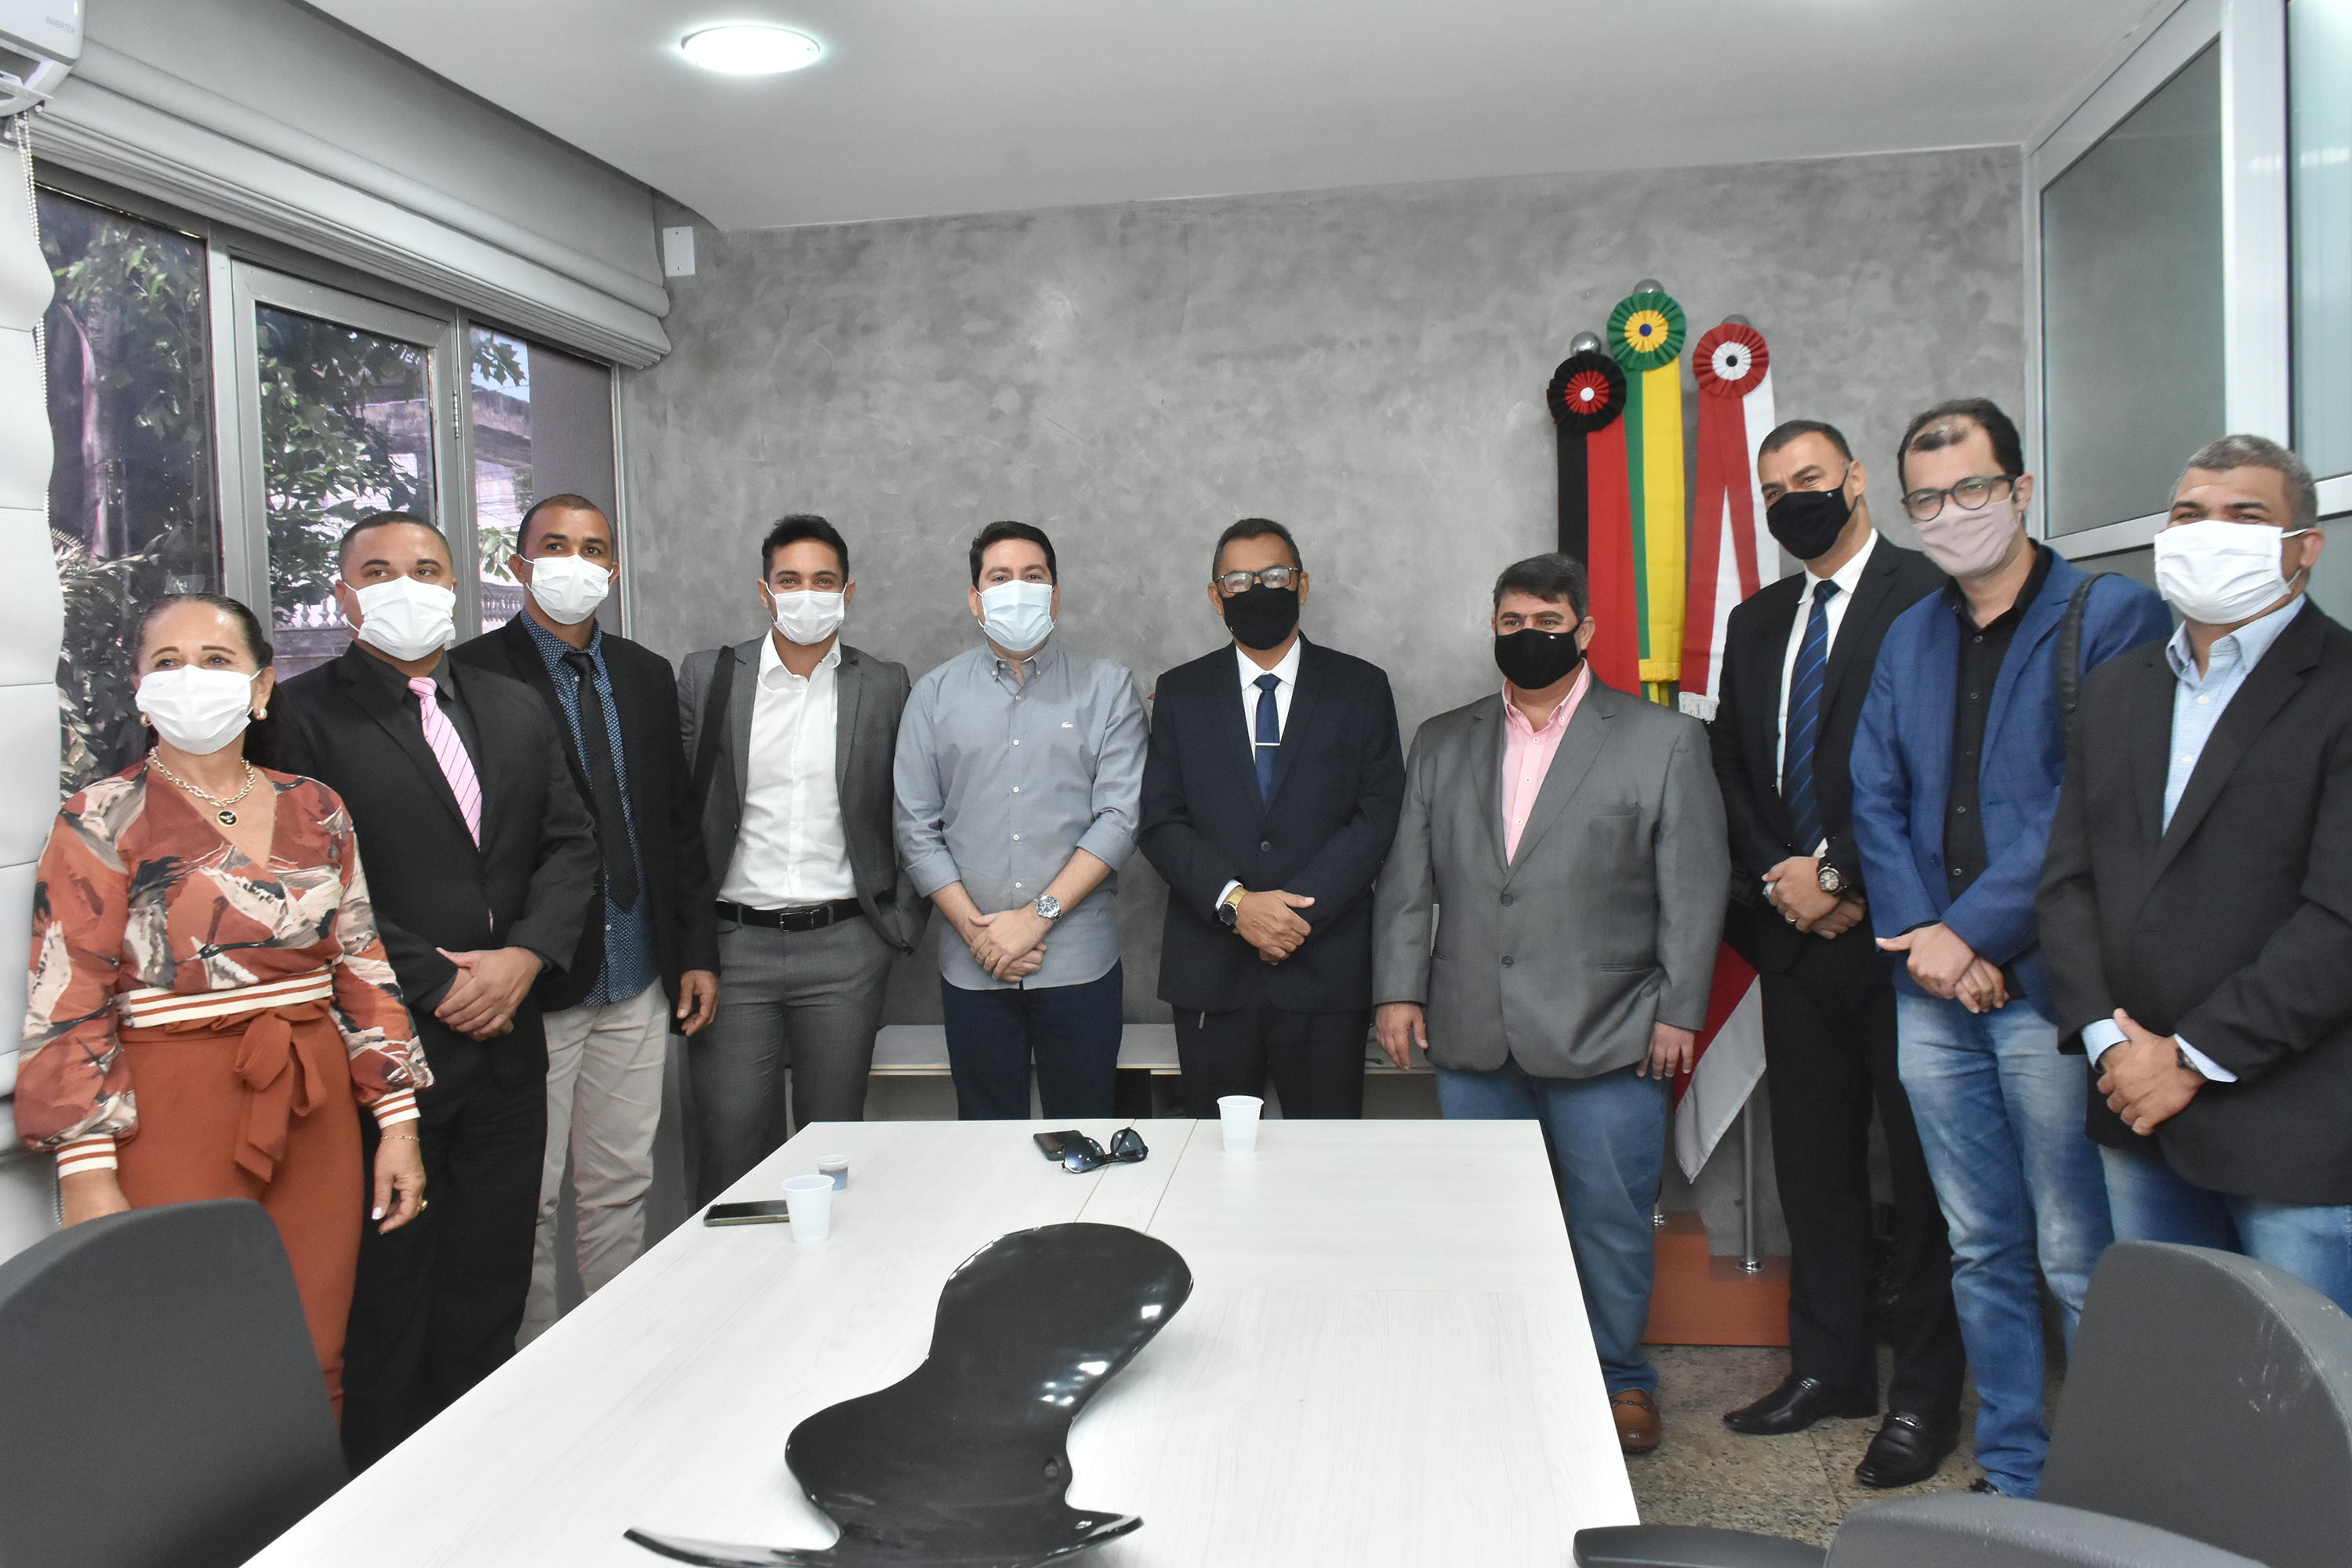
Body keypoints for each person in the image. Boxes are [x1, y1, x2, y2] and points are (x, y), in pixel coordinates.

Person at [1849, 398, 2172, 1498]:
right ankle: (2017, 1468)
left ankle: (2113, 1483)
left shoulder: (2108, 614)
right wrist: (1929, 941)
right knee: (1978, 1241)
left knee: (2077, 1248)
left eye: (1973, 488)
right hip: (1931, 991)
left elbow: (2092, 797)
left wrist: (1972, 931)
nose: (1952, 513)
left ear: (2022, 489)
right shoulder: (1909, 633)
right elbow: (1874, 792)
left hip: (2050, 988)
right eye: (1928, 499)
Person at [16, 593, 429, 1412]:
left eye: (215, 660)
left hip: (313, 1098)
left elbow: (362, 962)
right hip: (169, 1107)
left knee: (316, 1349)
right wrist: (86, 1171)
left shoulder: (318, 806)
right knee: (177, 1356)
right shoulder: (99, 815)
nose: (190, 678)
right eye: (167, 663)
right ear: (140, 689)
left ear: (262, 686)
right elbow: (70, 993)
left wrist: (398, 1122)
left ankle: (309, 1496)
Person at [1374, 552, 1728, 1455]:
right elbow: (1408, 881)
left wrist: (1680, 1009)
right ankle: (1502, 1367)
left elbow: (1693, 888)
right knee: (1486, 1218)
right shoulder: (1442, 739)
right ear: (1492, 626)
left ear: (1585, 629)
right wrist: (1398, 989)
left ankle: (1619, 1378)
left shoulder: (1662, 740)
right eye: (1511, 622)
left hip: (1611, 1027)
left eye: (1546, 622)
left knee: (1608, 1217)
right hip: (1471, 1024)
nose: (1527, 635)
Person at [278, 511, 599, 1469]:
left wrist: (526, 958)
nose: (405, 585)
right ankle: (385, 1487)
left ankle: (482, 1474)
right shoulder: (300, 714)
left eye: (425, 568)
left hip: (510, 1044)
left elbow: (572, 843)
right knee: (390, 1294)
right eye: (379, 570)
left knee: (489, 1281)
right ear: (344, 595)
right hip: (389, 1053)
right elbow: (310, 882)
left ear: (456, 585)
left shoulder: (511, 704)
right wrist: (441, 978)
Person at [2039, 434, 2352, 1312]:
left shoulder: (2341, 688)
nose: (2210, 531)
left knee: (2302, 1382)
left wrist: (2189, 1058)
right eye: (2189, 514)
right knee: (2173, 1366)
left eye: (2245, 515)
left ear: (2304, 547)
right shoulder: (2117, 690)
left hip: (2289, 1123)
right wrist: (2111, 1045)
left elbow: (2339, 919)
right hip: (2135, 1109)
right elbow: (2068, 882)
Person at [1709, 420, 1965, 1484]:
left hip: (1905, 939)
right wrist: (1784, 878)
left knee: (1924, 1176)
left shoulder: (1928, 593)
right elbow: (1731, 761)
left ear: (1857, 479)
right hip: (1794, 940)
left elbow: (1939, 760)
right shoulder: (1759, 617)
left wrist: (1841, 874)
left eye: (1809, 478)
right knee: (1813, 1170)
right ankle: (1830, 1368)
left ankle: (1925, 1396)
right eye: (1774, 489)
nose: (1792, 499)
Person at [448, 495, 720, 1341]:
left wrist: (695, 950)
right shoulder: (471, 675)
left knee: (619, 1186)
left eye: (594, 548)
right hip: (537, 981)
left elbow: (674, 823)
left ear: (613, 567)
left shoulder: (643, 673)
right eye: (556, 546)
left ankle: (616, 1355)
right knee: (525, 1199)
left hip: (638, 970)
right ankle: (531, 1367)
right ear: (519, 564)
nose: (577, 562)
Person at [677, 514, 929, 1203]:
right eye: (790, 581)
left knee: (832, 1145)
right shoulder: (709, 676)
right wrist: (692, 946)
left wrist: (899, 923)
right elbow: (679, 820)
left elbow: (916, 807)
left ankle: (831, 1271)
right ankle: (731, 1271)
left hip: (846, 947)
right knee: (731, 1144)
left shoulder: (884, 684)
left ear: (848, 592)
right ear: (765, 591)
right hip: (734, 950)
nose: (806, 595)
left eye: (823, 581)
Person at [1138, 518, 1404, 1117]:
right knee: (1214, 1156)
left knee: (1326, 1152)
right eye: (1238, 580)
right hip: (1212, 976)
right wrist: (1237, 905)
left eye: (1275, 575)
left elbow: (1378, 814)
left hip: (1325, 969)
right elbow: (1161, 821)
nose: (1258, 590)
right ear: (1216, 597)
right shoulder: (1180, 692)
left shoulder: (1361, 688)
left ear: (1302, 585)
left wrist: (1292, 915)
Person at [894, 521, 1148, 1120]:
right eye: (1000, 578)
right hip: (972, 966)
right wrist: (980, 934)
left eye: (1033, 577)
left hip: (1079, 965)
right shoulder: (932, 696)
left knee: (1085, 1139)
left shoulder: (1109, 689)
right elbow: (915, 829)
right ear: (975, 598)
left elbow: (1120, 818)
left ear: (1055, 595)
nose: (1017, 589)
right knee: (986, 1145)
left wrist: (1035, 920)